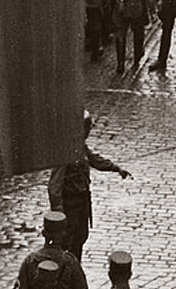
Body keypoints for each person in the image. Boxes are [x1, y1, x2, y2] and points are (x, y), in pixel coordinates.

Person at [47, 111, 131, 260]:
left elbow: (95, 160)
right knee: (66, 242)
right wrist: (58, 213)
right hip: (70, 205)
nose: (88, 132)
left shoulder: (80, 146)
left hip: (82, 203)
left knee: (80, 237)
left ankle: (75, 268)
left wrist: (116, 168)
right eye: (86, 129)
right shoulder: (64, 151)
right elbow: (54, 185)